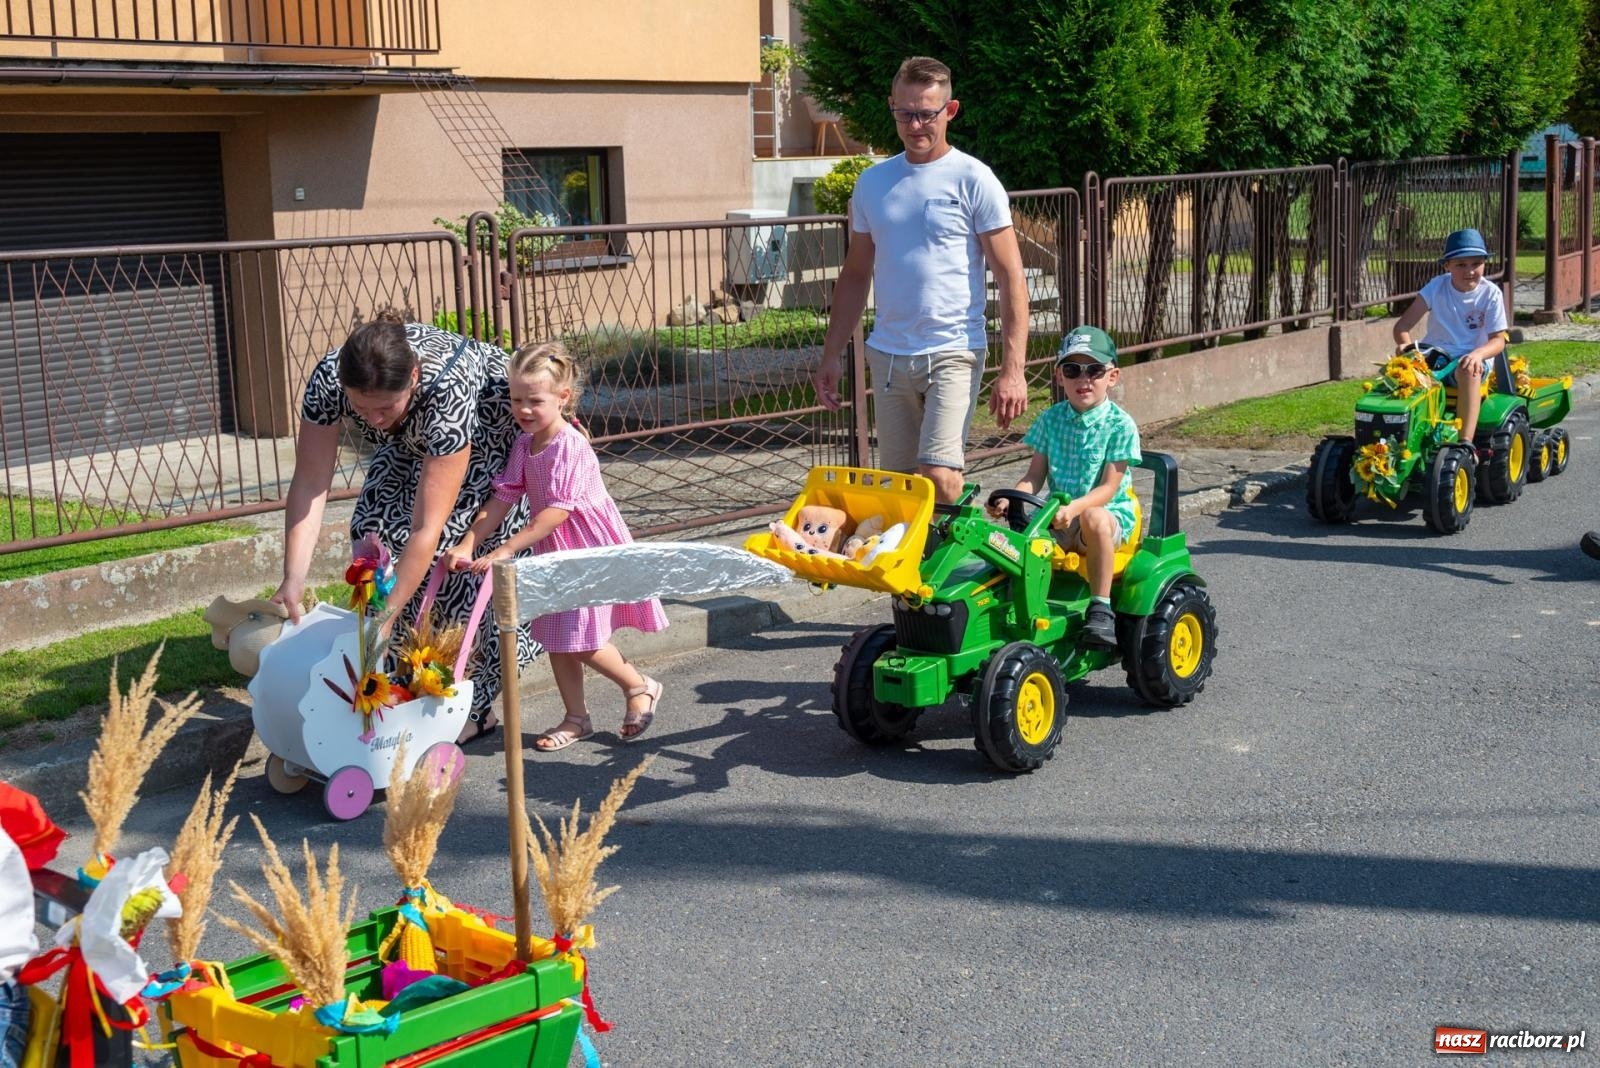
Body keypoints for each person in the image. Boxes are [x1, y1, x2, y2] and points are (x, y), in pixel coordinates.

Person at [270, 312, 536, 744]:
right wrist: (293, 578)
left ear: (413, 377)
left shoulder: (448, 389)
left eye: (383, 407)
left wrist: (390, 613)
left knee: (453, 560)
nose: (371, 419)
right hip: (409, 440)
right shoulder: (328, 378)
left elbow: (427, 528)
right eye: (359, 407)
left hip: (488, 436)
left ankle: (470, 704)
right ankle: (392, 679)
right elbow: (311, 481)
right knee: (372, 530)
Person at [813, 55, 1029, 504]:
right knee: (902, 490)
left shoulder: (975, 179)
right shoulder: (873, 183)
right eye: (905, 113)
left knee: (939, 474)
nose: (915, 125)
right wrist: (832, 353)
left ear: (949, 111)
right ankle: (922, 573)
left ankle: (965, 555)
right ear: (892, 106)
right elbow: (855, 274)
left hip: (953, 349)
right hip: (889, 356)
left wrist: (1013, 369)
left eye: (927, 113)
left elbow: (1011, 277)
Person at [442, 342, 668, 752]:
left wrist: (505, 549)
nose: (523, 409)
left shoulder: (570, 445)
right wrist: (469, 543)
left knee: (580, 637)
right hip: (555, 551)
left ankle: (639, 685)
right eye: (516, 400)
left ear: (563, 398)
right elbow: (504, 497)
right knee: (557, 635)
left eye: (535, 400)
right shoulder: (525, 445)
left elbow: (557, 513)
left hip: (586, 548)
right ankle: (576, 717)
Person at [991, 326, 1140, 649]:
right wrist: (1010, 498)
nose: (1083, 379)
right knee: (1012, 542)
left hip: (1106, 518)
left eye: (1094, 370)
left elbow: (1108, 488)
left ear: (1112, 376)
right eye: (1073, 370)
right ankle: (1019, 610)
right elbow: (1034, 477)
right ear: (1060, 377)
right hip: (1059, 517)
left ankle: (1100, 609)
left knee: (1095, 517)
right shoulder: (1050, 419)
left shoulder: (1120, 424)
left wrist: (1074, 508)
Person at [1392, 227, 1511, 452]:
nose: (1470, 271)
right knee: (1397, 374)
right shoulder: (1437, 287)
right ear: (1447, 266)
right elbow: (1402, 326)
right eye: (1461, 265)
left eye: (1476, 263)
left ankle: (1465, 444)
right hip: (1435, 355)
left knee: (1468, 369)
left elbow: (1498, 340)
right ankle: (1397, 440)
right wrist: (1406, 346)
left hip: (1474, 358)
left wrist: (1477, 354)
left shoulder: (1491, 294)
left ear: (1485, 263)